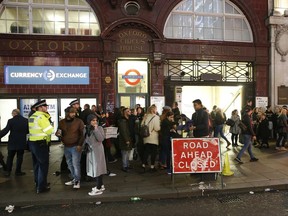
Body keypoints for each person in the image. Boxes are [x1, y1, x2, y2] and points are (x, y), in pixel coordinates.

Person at [28, 100, 54, 194]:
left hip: (33, 143)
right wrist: (51, 124)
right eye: (45, 106)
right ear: (40, 108)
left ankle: (38, 183)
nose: (46, 108)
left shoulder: (32, 116)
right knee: (43, 165)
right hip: (40, 144)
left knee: (36, 165)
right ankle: (41, 187)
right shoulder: (41, 117)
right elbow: (49, 131)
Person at [56, 107, 84, 189]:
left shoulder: (79, 121)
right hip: (66, 145)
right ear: (67, 113)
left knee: (76, 164)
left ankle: (77, 180)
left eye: (74, 112)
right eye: (72, 112)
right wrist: (58, 134)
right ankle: (74, 178)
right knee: (69, 163)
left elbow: (82, 134)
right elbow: (59, 131)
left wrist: (80, 144)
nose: (74, 114)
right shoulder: (62, 122)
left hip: (76, 145)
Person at [0, 109, 29, 177]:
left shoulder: (11, 121)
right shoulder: (25, 120)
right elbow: (28, 131)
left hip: (12, 142)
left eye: (12, 113)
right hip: (21, 141)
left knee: (10, 157)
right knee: (20, 157)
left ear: (14, 113)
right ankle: (18, 171)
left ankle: (8, 171)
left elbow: (6, 130)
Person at [84, 114, 107, 196]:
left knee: (98, 167)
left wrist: (96, 129)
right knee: (95, 167)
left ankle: (98, 187)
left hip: (98, 150)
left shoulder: (99, 128)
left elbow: (101, 139)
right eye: (93, 120)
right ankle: (101, 185)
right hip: (90, 150)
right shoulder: (87, 128)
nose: (95, 122)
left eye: (96, 120)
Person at [141, 105, 161, 172]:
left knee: (146, 152)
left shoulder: (146, 116)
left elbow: (142, 125)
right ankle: (152, 167)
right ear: (153, 110)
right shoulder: (156, 117)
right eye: (156, 109)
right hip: (153, 137)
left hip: (146, 137)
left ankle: (143, 165)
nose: (156, 110)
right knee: (153, 153)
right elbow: (157, 128)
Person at [118, 108, 134, 172]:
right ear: (125, 112)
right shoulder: (122, 120)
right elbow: (123, 131)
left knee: (127, 152)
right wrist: (126, 139)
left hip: (128, 138)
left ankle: (127, 165)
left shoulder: (128, 119)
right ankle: (124, 166)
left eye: (130, 111)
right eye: (128, 111)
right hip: (125, 139)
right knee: (125, 153)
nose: (130, 112)